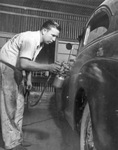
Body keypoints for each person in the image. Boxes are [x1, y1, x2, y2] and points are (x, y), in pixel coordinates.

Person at [0, 20, 61, 150]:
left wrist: (28, 79)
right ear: (44, 31)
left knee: (19, 107)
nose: (54, 39)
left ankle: (17, 139)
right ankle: (10, 144)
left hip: (17, 69)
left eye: (56, 37)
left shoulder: (40, 43)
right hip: (7, 68)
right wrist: (48, 67)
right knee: (9, 107)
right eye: (53, 35)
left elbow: (27, 61)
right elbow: (23, 63)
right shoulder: (30, 39)